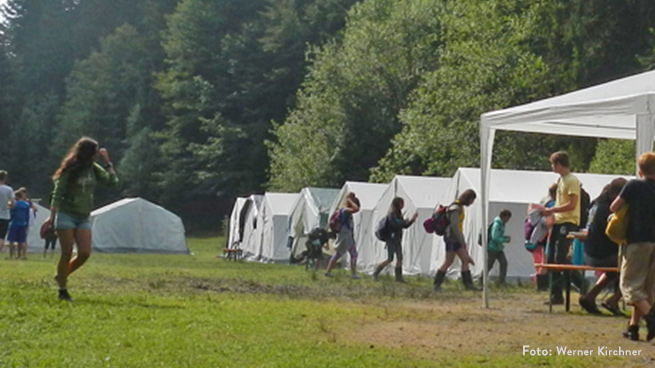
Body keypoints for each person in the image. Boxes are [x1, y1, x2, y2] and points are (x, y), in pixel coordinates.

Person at [44, 137, 118, 301]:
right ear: (87, 153)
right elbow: (58, 192)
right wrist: (51, 217)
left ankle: (61, 275)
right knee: (67, 252)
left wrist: (108, 162)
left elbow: (112, 182)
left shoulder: (94, 168)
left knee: (84, 253)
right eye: (95, 153)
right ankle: (62, 290)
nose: (96, 156)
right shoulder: (70, 169)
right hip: (66, 214)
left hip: (83, 216)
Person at [610, 152, 655, 341]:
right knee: (646, 286)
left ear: (640, 170)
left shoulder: (634, 185)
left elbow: (614, 207)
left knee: (628, 285)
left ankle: (652, 318)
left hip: (638, 241)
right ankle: (633, 327)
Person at [575, 178, 626, 316]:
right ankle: (614, 300)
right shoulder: (609, 210)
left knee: (613, 272)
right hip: (604, 255)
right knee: (635, 268)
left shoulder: (595, 204)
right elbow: (615, 232)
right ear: (616, 195)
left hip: (590, 253)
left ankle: (590, 296)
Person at [541, 151, 581, 305]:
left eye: (553, 164)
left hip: (568, 221)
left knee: (560, 257)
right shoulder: (561, 180)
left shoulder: (572, 180)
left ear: (559, 164)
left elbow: (572, 204)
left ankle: (578, 284)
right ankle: (555, 294)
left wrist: (552, 210)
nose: (552, 167)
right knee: (551, 258)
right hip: (558, 222)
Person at [433, 189, 478, 291]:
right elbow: (454, 225)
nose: (472, 203)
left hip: (455, 237)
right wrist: (460, 240)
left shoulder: (459, 207)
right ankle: (437, 284)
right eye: (472, 200)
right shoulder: (455, 207)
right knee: (449, 261)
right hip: (452, 237)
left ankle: (468, 285)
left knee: (464, 259)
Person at [372, 197, 418, 282]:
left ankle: (399, 277)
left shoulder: (398, 213)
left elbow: (404, 226)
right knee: (390, 258)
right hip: (391, 239)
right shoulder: (392, 213)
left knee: (400, 258)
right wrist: (404, 222)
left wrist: (411, 220)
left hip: (397, 238)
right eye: (402, 203)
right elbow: (395, 224)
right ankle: (375, 273)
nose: (403, 205)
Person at [325, 192, 360, 279]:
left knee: (353, 254)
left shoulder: (343, 210)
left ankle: (353, 274)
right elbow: (356, 209)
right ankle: (328, 271)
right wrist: (350, 201)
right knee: (338, 254)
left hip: (347, 235)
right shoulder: (345, 210)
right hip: (345, 235)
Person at [486, 209, 512, 285]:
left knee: (504, 263)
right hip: (492, 248)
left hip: (498, 248)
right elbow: (495, 237)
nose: (508, 220)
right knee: (489, 264)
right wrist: (504, 240)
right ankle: (481, 279)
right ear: (503, 217)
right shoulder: (497, 224)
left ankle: (502, 281)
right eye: (507, 218)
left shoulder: (502, 224)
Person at [7, 190, 31, 260]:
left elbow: (11, 214)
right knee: (21, 241)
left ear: (17, 196)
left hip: (14, 223)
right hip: (23, 224)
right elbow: (28, 215)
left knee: (11, 240)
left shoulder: (15, 204)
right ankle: (20, 255)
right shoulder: (27, 205)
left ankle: (11, 255)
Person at [0, 171, 15, 256]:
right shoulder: (8, 189)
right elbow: (13, 203)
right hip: (4, 216)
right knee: (1, 237)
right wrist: (8, 205)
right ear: (5, 179)